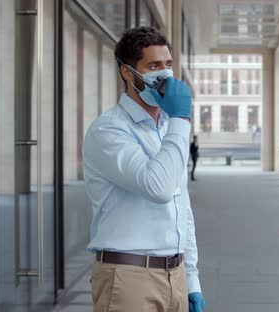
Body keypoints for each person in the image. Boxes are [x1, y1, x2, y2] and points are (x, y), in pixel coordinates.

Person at [83, 26, 205, 312]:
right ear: (128, 73)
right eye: (154, 66)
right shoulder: (109, 130)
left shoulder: (166, 128)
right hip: (128, 278)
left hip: (174, 275)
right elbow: (159, 188)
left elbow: (180, 205)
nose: (165, 74)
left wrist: (191, 277)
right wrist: (181, 119)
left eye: (168, 65)